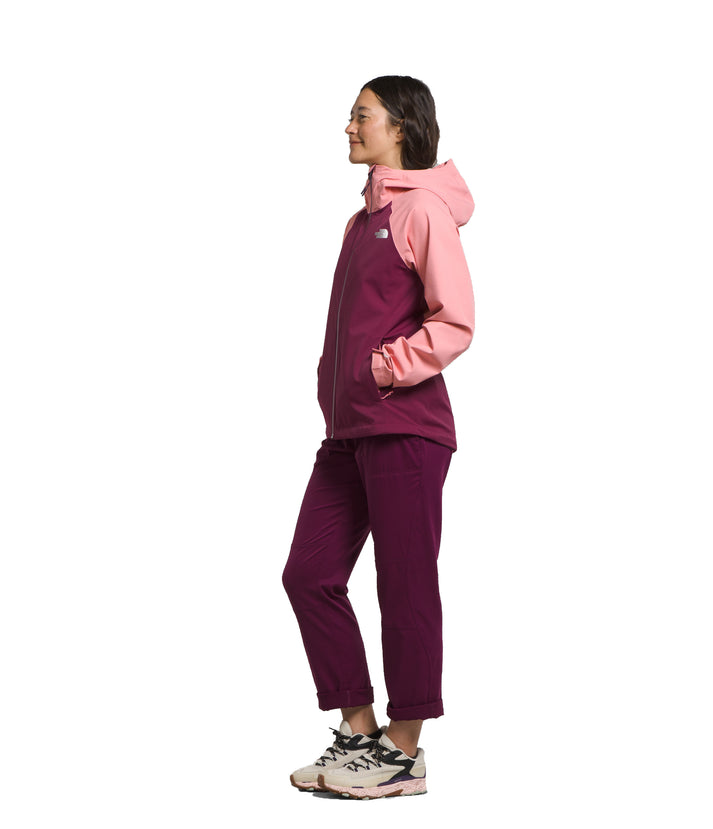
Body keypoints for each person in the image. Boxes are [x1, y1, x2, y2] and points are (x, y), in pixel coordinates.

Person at [282, 75, 475, 800]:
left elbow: (454, 320)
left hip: (406, 427)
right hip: (349, 430)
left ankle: (405, 748)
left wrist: (383, 367)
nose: (348, 126)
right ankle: (359, 730)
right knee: (308, 574)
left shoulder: (422, 210)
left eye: (361, 115)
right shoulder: (360, 220)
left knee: (404, 581)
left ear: (400, 127)